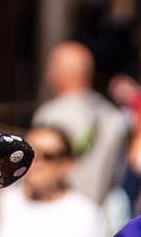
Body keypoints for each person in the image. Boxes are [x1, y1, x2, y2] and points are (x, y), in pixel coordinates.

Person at [30, 40, 130, 206]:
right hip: (100, 216)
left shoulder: (49, 114)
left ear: (58, 73)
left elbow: (36, 174)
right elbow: (118, 175)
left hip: (58, 214)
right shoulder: (114, 116)